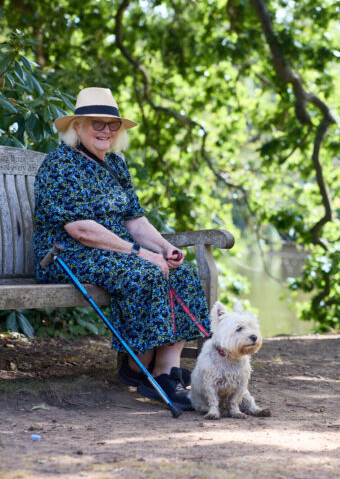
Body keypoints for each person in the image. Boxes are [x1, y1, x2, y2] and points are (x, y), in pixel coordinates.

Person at [33, 87, 209, 411]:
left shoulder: (116, 164)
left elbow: (135, 221)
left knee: (180, 273)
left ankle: (165, 371)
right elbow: (80, 230)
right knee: (145, 274)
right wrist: (142, 254)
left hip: (112, 251)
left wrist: (166, 249)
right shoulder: (60, 164)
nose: (106, 131)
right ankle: (134, 366)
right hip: (67, 254)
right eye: (97, 123)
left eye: (112, 125)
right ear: (77, 126)